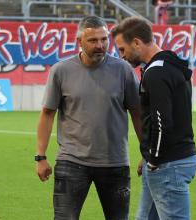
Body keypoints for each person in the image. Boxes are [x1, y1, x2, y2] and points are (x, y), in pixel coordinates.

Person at [35, 16, 141, 220]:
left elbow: (137, 113)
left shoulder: (124, 70)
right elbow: (48, 113)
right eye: (93, 40)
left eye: (104, 39)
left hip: (115, 162)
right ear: (79, 42)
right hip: (71, 162)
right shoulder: (61, 71)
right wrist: (40, 156)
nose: (100, 45)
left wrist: (147, 153)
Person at [112, 17, 196, 220]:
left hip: (168, 164)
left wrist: (155, 159)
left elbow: (162, 122)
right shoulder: (171, 64)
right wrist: (149, 154)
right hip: (171, 159)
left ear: (136, 42)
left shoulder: (156, 72)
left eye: (122, 49)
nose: (121, 56)